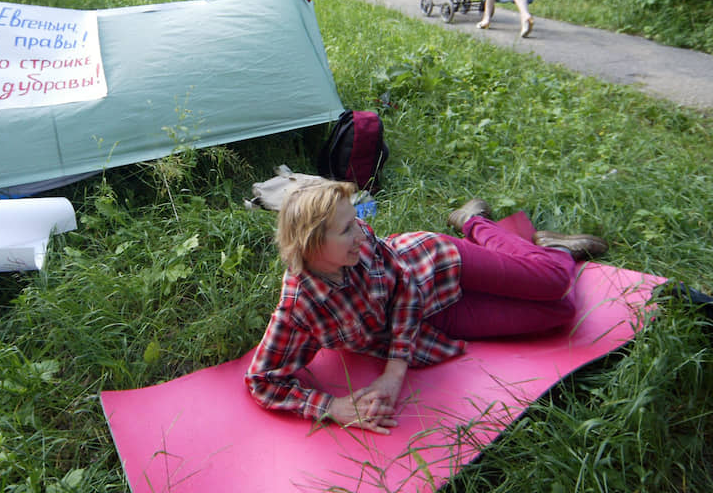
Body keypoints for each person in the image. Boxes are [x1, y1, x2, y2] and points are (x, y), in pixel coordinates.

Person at [245, 181, 607, 434]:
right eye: (346, 229)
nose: (361, 232)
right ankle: (555, 249)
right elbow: (262, 380)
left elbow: (404, 288)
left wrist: (393, 373)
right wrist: (332, 408)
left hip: (438, 262)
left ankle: (474, 222)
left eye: (356, 220)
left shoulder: (361, 240)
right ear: (310, 245)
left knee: (554, 282)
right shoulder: (300, 309)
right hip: (435, 316)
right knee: (560, 312)